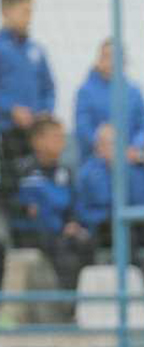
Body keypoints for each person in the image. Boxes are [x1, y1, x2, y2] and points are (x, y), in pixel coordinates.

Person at [13, 116, 92, 294]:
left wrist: (73, 223)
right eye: (55, 137)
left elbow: (73, 206)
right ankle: (63, 305)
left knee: (86, 242)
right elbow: (25, 209)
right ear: (37, 141)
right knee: (63, 252)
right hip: (33, 234)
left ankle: (83, 304)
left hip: (63, 232)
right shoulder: (23, 172)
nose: (61, 142)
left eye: (62, 137)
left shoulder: (65, 172)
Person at [0, 0, 53, 192]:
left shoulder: (36, 50)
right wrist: (10, 110)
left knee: (35, 189)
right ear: (6, 11)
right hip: (6, 134)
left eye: (31, 12)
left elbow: (48, 88)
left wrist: (44, 112)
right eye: (24, 12)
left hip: (34, 135)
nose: (29, 18)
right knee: (11, 192)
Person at [75, 121, 144, 245]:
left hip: (132, 224)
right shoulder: (87, 173)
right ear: (97, 146)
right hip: (102, 227)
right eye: (107, 143)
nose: (113, 148)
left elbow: (141, 201)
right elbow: (81, 210)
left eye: (116, 143)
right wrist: (103, 217)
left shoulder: (134, 171)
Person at [73, 39, 144, 164]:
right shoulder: (86, 91)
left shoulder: (134, 92)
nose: (111, 62)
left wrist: (135, 146)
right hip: (97, 161)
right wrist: (104, 148)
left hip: (130, 160)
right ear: (98, 60)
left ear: (124, 61)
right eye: (107, 56)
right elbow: (83, 127)